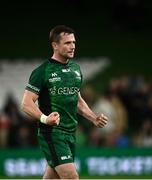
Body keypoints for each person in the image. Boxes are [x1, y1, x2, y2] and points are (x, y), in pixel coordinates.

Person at [21, 25, 108, 179]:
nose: (73, 46)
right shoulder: (43, 71)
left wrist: (93, 117)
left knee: (52, 176)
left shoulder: (75, 69)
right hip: (53, 133)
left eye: (74, 42)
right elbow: (26, 103)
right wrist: (45, 119)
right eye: (67, 43)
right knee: (71, 176)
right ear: (55, 45)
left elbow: (77, 100)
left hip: (70, 132)